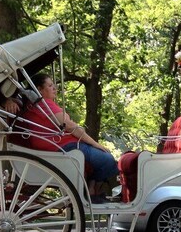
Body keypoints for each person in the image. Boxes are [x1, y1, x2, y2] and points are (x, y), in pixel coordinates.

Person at [20, 73, 117, 203]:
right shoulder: (44, 104)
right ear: (39, 90)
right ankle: (92, 189)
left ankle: (92, 187)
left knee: (103, 160)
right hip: (61, 146)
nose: (54, 88)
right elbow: (70, 127)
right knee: (108, 160)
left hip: (59, 144)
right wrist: (96, 144)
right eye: (50, 85)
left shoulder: (33, 105)